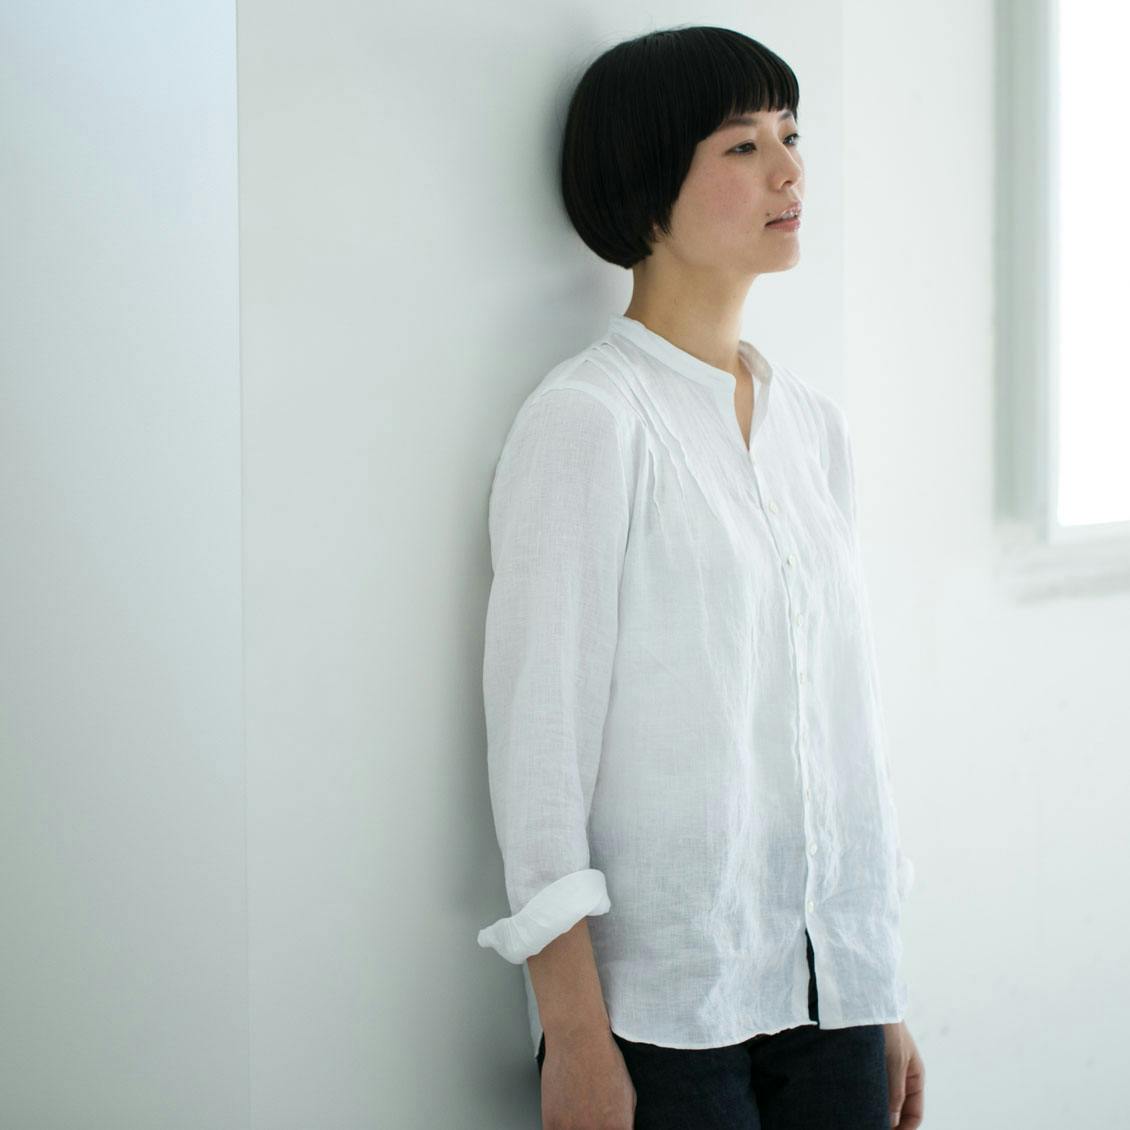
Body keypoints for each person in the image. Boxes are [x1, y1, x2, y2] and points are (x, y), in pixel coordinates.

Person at [476, 24, 926, 1130]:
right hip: (659, 1013)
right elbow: (540, 759)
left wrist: (875, 988)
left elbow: (841, 732)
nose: (788, 171)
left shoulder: (811, 428)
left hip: (828, 992)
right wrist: (575, 1038)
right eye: (740, 146)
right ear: (647, 192)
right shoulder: (589, 421)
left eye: (790, 135)